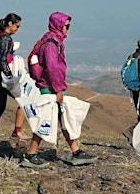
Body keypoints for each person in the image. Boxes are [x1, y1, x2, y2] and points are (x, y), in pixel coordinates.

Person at [22, 11, 97, 167]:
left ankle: (76, 151)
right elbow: (52, 67)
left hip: (52, 87)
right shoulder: (51, 44)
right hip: (51, 88)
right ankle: (31, 155)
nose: (67, 29)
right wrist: (58, 89)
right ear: (58, 25)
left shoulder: (51, 40)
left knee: (63, 118)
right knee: (45, 120)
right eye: (66, 26)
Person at [0, 13, 29, 147]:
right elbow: (2, 60)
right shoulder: (6, 39)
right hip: (1, 76)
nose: (18, 29)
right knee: (24, 99)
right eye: (17, 26)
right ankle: (17, 131)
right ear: (10, 24)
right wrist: (10, 77)